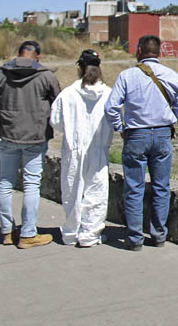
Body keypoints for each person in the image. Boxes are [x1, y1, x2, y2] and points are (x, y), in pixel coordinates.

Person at [104, 35, 178, 251]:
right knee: (161, 186)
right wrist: (167, 120)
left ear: (139, 50)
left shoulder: (127, 76)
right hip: (162, 135)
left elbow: (111, 107)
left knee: (134, 187)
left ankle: (134, 238)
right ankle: (158, 235)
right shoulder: (172, 76)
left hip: (136, 135)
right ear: (159, 51)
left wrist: (120, 128)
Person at [0, 40, 60, 249]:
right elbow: (59, 104)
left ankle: (7, 232)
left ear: (18, 54)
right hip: (35, 137)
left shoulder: (0, 74)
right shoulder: (46, 76)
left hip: (8, 136)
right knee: (31, 185)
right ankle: (27, 234)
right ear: (38, 57)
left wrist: (6, 102)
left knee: (5, 183)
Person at [50, 50, 113, 247]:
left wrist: (71, 130)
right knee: (96, 191)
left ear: (80, 68)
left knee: (72, 191)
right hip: (98, 148)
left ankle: (70, 232)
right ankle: (89, 235)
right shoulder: (109, 94)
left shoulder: (67, 94)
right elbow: (115, 120)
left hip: (73, 149)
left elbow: (56, 121)